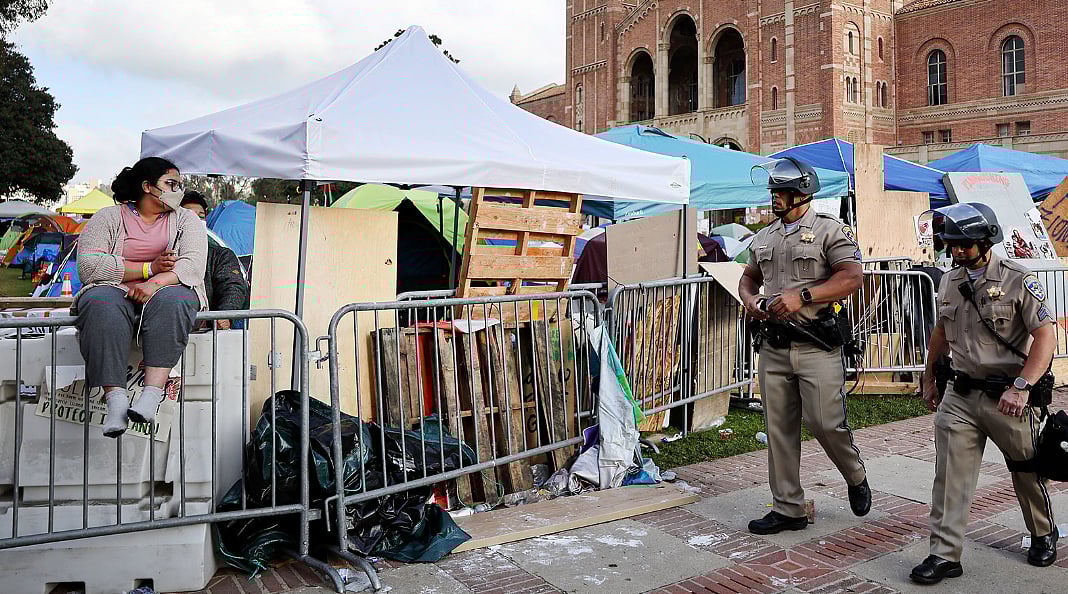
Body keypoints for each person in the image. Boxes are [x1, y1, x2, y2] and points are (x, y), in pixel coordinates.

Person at [910, 203, 1057, 584]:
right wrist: (929, 377)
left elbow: (1045, 336)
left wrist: (1022, 387)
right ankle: (944, 554)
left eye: (964, 244)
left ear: (985, 241)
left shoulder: (1017, 280)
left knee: (1026, 470)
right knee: (950, 476)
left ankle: (1042, 532)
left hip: (1007, 397)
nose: (956, 251)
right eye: (951, 244)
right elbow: (940, 332)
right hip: (960, 394)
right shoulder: (948, 280)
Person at [738, 157, 870, 535]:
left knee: (824, 422)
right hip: (774, 346)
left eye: (781, 192)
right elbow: (748, 279)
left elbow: (852, 276)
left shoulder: (829, 231)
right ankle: (788, 507)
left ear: (802, 193)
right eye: (773, 192)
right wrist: (752, 301)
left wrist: (805, 295)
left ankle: (855, 474)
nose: (774, 198)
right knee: (779, 428)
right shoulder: (763, 237)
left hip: (816, 345)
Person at [74, 157, 207, 438]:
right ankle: (116, 401)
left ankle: (151, 396)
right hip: (114, 290)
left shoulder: (187, 219)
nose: (178, 191)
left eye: (180, 185)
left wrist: (154, 283)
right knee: (100, 304)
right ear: (147, 187)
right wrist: (147, 268)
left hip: (165, 290)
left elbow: (192, 265)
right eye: (171, 184)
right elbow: (88, 266)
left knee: (176, 300)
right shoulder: (107, 218)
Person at [179, 191, 250, 329]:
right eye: (190, 216)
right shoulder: (166, 252)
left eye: (201, 217)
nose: (196, 222)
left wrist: (225, 314)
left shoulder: (221, 255)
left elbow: (233, 285)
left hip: (206, 334)